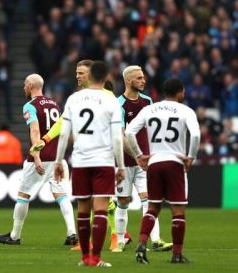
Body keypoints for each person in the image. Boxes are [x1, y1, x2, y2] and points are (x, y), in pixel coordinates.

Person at [31, 59, 123, 251]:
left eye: (81, 72)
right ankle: (87, 242)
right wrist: (45, 140)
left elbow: (117, 131)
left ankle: (116, 237)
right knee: (88, 201)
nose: (77, 76)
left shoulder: (108, 96)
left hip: (103, 154)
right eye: (76, 72)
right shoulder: (76, 97)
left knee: (105, 202)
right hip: (82, 155)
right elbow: (63, 123)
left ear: (90, 74)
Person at [53, 61, 126, 267]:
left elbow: (65, 133)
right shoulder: (111, 100)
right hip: (103, 160)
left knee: (83, 209)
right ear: (106, 78)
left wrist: (58, 161)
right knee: (101, 209)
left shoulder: (74, 99)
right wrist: (120, 166)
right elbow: (117, 138)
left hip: (80, 160)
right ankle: (96, 258)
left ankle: (85, 258)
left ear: (90, 75)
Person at [0, 73, 78, 246]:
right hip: (57, 157)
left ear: (32, 85)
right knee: (62, 195)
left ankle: (15, 236)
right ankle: (72, 233)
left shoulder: (30, 106)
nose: (23, 87)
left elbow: (35, 131)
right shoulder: (55, 104)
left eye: (25, 84)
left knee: (23, 195)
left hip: (40, 157)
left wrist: (36, 156)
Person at [126, 78, 201, 264]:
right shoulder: (186, 111)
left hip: (154, 162)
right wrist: (190, 156)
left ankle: (142, 243)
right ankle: (176, 255)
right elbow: (196, 134)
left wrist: (139, 155)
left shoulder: (149, 109)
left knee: (153, 207)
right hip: (175, 163)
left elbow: (128, 132)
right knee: (178, 211)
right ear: (180, 92)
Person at [113, 66, 172, 253]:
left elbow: (153, 131)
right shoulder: (117, 105)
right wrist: (138, 156)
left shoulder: (148, 101)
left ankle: (155, 240)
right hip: (124, 162)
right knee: (123, 201)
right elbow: (120, 137)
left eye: (143, 77)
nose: (143, 81)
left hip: (145, 162)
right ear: (128, 81)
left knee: (149, 199)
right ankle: (120, 241)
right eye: (139, 78)